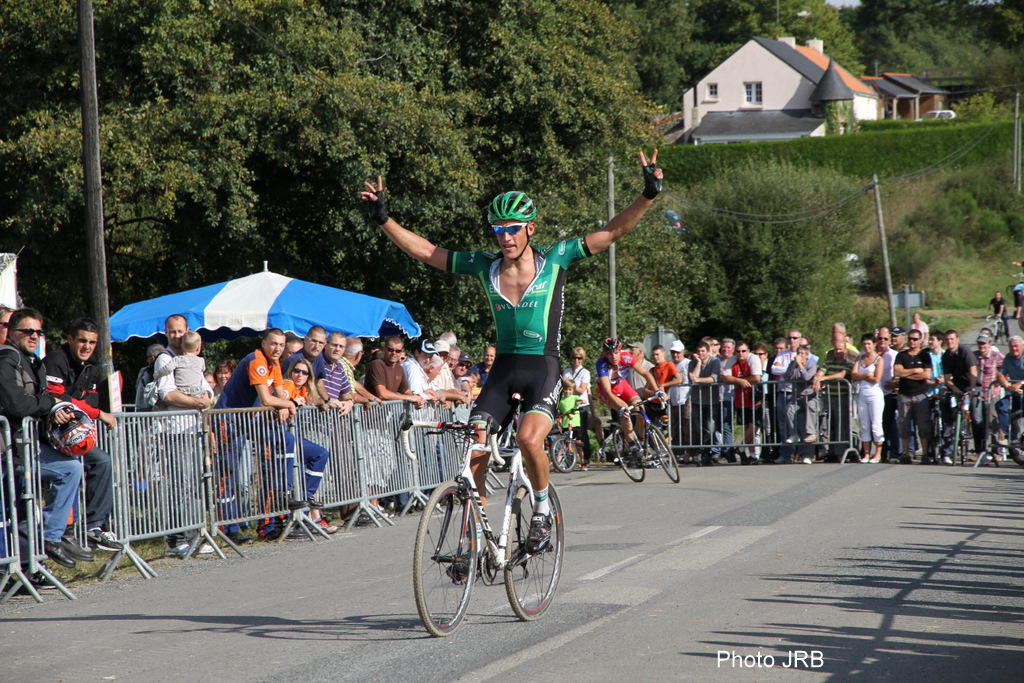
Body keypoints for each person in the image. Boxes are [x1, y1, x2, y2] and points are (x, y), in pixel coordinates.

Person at [361, 149, 664, 552]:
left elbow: (611, 233)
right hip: (502, 371)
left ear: (530, 229)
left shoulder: (556, 258)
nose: (505, 237)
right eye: (498, 230)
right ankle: (477, 547)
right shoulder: (482, 265)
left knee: (527, 438)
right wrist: (384, 219)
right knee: (474, 453)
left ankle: (541, 509)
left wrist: (647, 195)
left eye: (513, 229)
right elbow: (427, 251)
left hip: (543, 368)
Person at [215, 328, 331, 540]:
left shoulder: (275, 364)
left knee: (280, 449)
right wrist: (289, 403)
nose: (277, 348)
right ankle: (227, 530)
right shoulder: (257, 361)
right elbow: (268, 400)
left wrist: (286, 404)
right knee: (229, 476)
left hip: (250, 421)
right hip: (228, 421)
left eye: (281, 344)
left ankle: (278, 510)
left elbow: (279, 394)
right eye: (273, 344)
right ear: (264, 343)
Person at [0, 308, 86, 568]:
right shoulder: (6, 359)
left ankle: (33, 562)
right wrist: (49, 404)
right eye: (28, 331)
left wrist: (57, 412)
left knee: (24, 509)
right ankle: (45, 543)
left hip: (26, 444)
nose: (34, 336)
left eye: (38, 331)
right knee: (67, 472)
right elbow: (15, 404)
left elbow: (37, 401)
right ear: (12, 332)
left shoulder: (33, 361)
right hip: (10, 448)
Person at [42, 317, 122, 553]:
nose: (87, 346)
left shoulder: (92, 366)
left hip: (72, 433)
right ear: (70, 339)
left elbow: (88, 399)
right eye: (82, 341)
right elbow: (60, 399)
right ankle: (59, 535)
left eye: (92, 342)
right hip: (47, 435)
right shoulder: (56, 360)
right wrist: (98, 414)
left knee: (103, 462)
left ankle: (94, 527)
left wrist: (84, 408)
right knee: (75, 467)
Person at [893, 328, 934, 464]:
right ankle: (906, 453)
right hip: (904, 395)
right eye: (910, 338)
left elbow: (926, 375)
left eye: (915, 339)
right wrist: (916, 370)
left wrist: (907, 373)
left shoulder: (925, 356)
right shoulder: (901, 355)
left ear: (920, 340)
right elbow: (897, 372)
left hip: (920, 395)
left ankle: (925, 453)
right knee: (904, 424)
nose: (912, 341)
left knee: (923, 425)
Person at [940, 329, 978, 465]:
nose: (949, 342)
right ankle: (946, 451)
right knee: (945, 408)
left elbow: (973, 370)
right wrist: (956, 391)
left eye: (952, 339)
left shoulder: (965, 351)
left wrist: (972, 390)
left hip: (970, 383)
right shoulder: (945, 356)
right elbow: (946, 378)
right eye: (947, 339)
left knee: (976, 416)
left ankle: (980, 451)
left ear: (957, 339)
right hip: (956, 385)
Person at [814, 336, 855, 462]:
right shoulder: (828, 363)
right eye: (836, 349)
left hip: (843, 397)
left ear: (846, 350)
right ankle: (831, 451)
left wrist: (825, 378)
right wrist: (817, 379)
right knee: (830, 425)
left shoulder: (849, 364)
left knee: (842, 426)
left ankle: (841, 452)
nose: (838, 352)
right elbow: (820, 372)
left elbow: (842, 374)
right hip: (830, 397)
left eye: (841, 349)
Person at [724, 341, 762, 464]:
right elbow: (724, 377)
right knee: (747, 428)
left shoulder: (753, 358)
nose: (741, 354)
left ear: (748, 351)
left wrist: (738, 380)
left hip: (754, 399)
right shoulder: (732, 360)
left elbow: (756, 377)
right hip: (740, 400)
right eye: (738, 351)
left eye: (743, 351)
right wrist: (739, 381)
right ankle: (752, 455)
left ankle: (740, 447)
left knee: (754, 427)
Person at [152, 330, 212, 406]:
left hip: (181, 391)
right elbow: (202, 372)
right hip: (197, 392)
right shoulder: (201, 361)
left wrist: (157, 374)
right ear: (198, 348)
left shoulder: (177, 359)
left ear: (182, 346)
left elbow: (167, 369)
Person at [851, 333, 885, 463]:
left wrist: (863, 375)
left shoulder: (878, 360)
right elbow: (853, 374)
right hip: (862, 394)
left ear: (874, 344)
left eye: (869, 344)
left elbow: (876, 378)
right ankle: (866, 453)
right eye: (864, 344)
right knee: (864, 425)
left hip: (874, 394)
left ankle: (877, 453)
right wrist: (866, 374)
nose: (866, 346)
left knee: (876, 424)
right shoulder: (859, 358)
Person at [365, 336, 425, 407]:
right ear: (384, 349)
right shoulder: (377, 364)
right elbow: (382, 394)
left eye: (398, 351)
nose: (394, 353)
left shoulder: (399, 368)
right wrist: (409, 398)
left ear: (402, 352)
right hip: (370, 413)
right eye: (390, 350)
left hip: (386, 414)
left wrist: (418, 399)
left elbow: (406, 391)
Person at [783, 345, 818, 464]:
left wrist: (801, 366)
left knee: (808, 427)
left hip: (809, 397)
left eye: (802, 353)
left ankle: (808, 455)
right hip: (796, 397)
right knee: (789, 410)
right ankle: (793, 434)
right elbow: (786, 377)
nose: (800, 355)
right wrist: (793, 366)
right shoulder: (793, 364)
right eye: (798, 353)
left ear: (807, 355)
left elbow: (807, 377)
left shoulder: (812, 365)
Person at [132, 342, 165, 411]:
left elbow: (139, 389)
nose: (147, 360)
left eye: (148, 357)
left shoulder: (146, 372)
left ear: (153, 358)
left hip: (146, 408)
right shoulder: (171, 369)